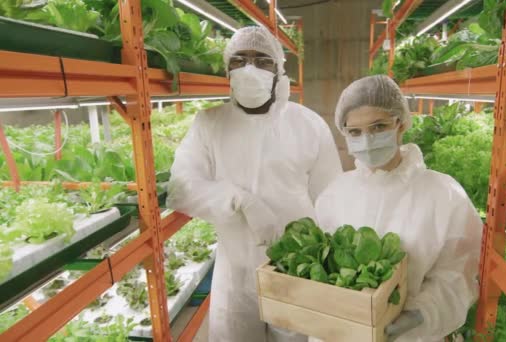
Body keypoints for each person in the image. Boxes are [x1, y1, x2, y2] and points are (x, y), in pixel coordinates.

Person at [167, 26, 342, 342]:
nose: (250, 69)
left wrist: (330, 272)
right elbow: (181, 186)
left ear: (278, 70)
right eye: (239, 60)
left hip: (297, 269)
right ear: (227, 70)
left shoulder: (308, 124)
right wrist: (239, 199)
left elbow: (332, 200)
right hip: (235, 272)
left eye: (262, 61)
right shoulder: (209, 124)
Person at [314, 75, 483, 342]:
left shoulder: (444, 195)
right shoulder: (335, 193)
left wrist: (421, 314)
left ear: (401, 123)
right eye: (355, 132)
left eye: (378, 127)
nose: (367, 140)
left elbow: (458, 276)